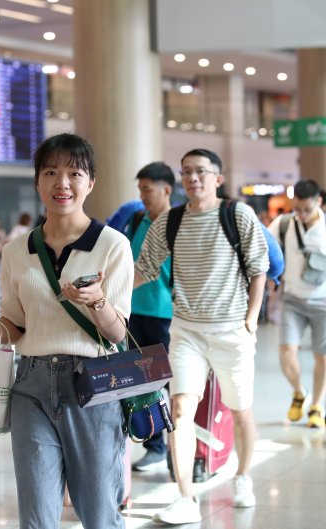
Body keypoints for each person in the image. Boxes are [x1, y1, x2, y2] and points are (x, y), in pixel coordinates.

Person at [0, 133, 133, 529]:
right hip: (30, 383)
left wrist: (97, 301)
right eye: (50, 172)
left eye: (73, 173)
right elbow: (16, 328)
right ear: (37, 181)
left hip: (93, 384)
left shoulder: (112, 245)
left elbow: (117, 335)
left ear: (90, 182)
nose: (61, 183)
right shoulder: (16, 251)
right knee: (36, 516)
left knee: (99, 512)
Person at [134, 148, 269, 524]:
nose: (193, 178)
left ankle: (242, 476)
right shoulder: (171, 221)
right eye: (187, 172)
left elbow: (260, 268)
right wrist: (105, 293)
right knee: (179, 410)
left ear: (217, 179)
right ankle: (186, 497)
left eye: (201, 172)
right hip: (187, 330)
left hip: (231, 329)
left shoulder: (237, 214)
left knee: (241, 410)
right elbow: (144, 268)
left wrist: (252, 320)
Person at [268, 180, 326, 428]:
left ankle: (316, 406)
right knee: (286, 352)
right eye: (297, 209)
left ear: (319, 202)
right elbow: (263, 246)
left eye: (306, 209)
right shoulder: (283, 224)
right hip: (293, 298)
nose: (301, 214)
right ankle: (299, 392)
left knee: (322, 357)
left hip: (324, 301)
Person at [124, 161, 175, 472]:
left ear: (166, 190)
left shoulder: (179, 222)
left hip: (166, 314)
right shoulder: (138, 219)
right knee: (143, 381)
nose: (142, 195)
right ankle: (155, 445)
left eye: (147, 189)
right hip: (134, 311)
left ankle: (181, 449)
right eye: (140, 189)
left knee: (170, 382)